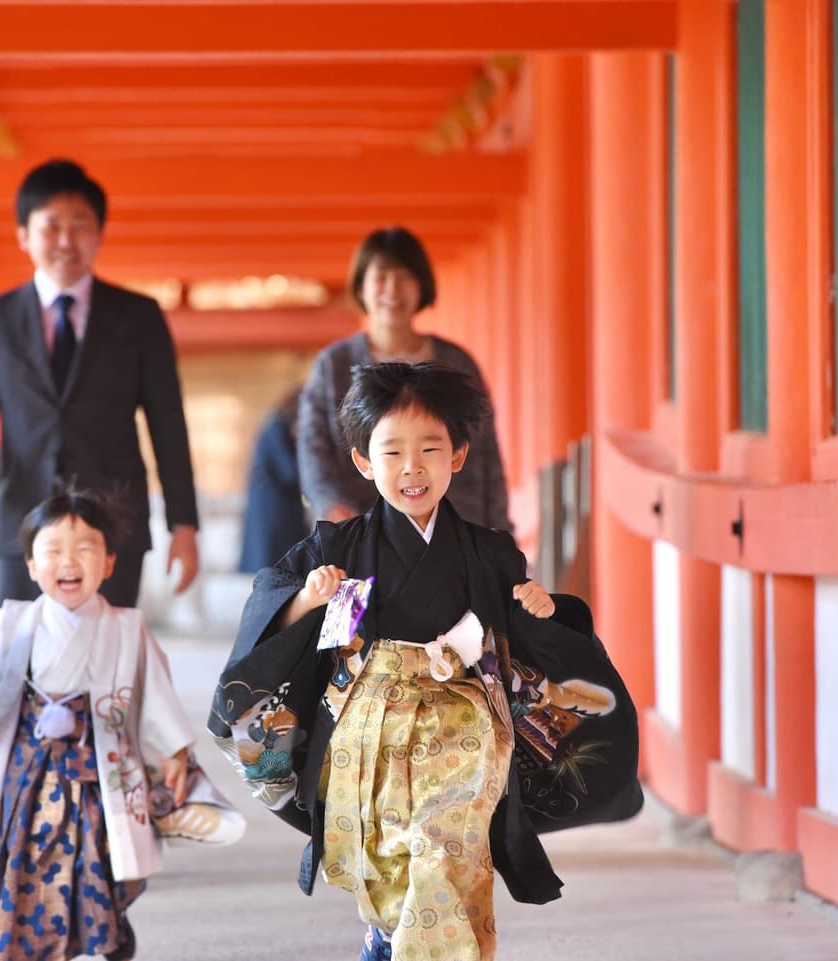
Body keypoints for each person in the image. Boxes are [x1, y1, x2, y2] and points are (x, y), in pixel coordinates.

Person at [209, 364, 642, 961]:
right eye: (393, 452)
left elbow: (527, 632)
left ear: (458, 456)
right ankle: (388, 939)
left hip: (464, 726)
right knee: (387, 859)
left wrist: (540, 607)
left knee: (447, 849)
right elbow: (272, 612)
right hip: (369, 728)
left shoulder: (488, 553)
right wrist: (308, 598)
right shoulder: (338, 547)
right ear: (364, 462)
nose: (412, 467)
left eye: (430, 448)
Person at [0, 487, 244, 961]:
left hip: (99, 776)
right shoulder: (9, 625)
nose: (68, 561)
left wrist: (173, 752)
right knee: (29, 864)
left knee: (101, 860)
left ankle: (102, 936)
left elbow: (155, 695)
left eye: (85, 549)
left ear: (109, 562)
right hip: (28, 778)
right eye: (52, 550)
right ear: (30, 564)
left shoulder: (126, 629)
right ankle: (32, 947)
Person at [0, 158, 200, 607]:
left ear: (99, 233)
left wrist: (183, 524)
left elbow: (167, 423)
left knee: (108, 664)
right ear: (23, 236)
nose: (66, 241)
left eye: (80, 225)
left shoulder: (138, 317)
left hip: (113, 523)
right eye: (51, 226)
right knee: (20, 662)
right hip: (19, 520)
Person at [298, 226, 512, 531]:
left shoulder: (456, 363)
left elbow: (485, 454)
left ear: (421, 283)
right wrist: (334, 509)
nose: (393, 290)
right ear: (361, 287)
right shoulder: (334, 365)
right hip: (361, 529)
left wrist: (500, 534)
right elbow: (313, 450)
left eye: (404, 277)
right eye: (381, 278)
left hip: (456, 529)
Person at [238, 386, 309, 574]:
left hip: (277, 507)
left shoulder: (277, 426)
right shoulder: (276, 428)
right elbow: (289, 470)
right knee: (273, 564)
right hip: (273, 508)